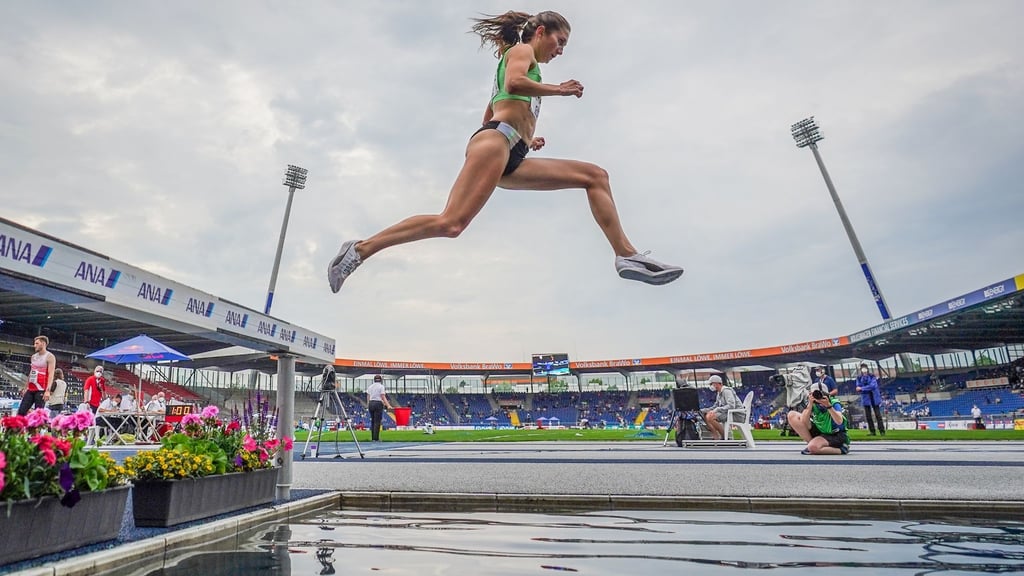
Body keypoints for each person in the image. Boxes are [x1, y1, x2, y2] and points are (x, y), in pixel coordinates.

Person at [327, 10, 683, 294]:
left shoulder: (529, 65)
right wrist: (555, 92)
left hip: (508, 149)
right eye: (560, 41)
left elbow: (496, 104)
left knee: (595, 176)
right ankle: (359, 249)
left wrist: (524, 138)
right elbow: (513, 85)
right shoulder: (522, 52)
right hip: (496, 144)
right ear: (540, 31)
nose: (561, 50)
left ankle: (626, 256)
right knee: (450, 223)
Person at [788, 381, 850, 455]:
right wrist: (810, 405)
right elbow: (803, 423)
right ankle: (812, 444)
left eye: (821, 394)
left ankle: (842, 449)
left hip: (835, 434)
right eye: (815, 394)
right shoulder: (812, 403)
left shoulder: (833, 402)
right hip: (821, 431)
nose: (818, 397)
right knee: (792, 415)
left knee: (813, 448)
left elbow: (839, 421)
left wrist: (828, 406)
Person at [18, 335, 56, 416]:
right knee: (21, 411)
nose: (34, 345)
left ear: (43, 343)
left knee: (38, 415)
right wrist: (26, 387)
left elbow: (51, 374)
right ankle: (18, 427)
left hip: (41, 389)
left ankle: (36, 428)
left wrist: (47, 391)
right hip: (31, 388)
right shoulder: (33, 357)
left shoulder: (50, 357)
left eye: (37, 343)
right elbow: (31, 372)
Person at [702, 375, 740, 440]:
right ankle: (715, 436)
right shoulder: (719, 393)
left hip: (735, 414)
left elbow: (731, 405)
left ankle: (724, 436)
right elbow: (715, 406)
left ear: (717, 383)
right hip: (726, 413)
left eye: (711, 384)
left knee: (710, 417)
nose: (711, 386)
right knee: (705, 415)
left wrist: (717, 409)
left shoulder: (726, 391)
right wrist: (704, 410)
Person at [855, 363, 885, 436]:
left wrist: (862, 388)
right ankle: (872, 431)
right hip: (866, 398)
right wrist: (862, 388)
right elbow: (857, 387)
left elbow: (873, 386)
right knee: (868, 416)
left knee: (878, 415)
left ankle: (882, 431)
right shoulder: (859, 378)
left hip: (874, 397)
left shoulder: (872, 376)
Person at [366, 375, 392, 442]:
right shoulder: (381, 386)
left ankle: (373, 438)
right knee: (377, 422)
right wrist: (388, 405)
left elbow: (368, 396)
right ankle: (376, 438)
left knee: (373, 421)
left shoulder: (370, 386)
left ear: (374, 380)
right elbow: (383, 396)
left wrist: (368, 404)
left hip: (371, 403)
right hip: (378, 403)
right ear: (380, 380)